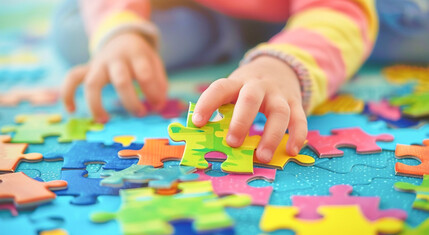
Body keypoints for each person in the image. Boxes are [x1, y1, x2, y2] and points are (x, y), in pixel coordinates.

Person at [58, 0, 377, 163]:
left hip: (322, 11)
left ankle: (256, 38)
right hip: (204, 8)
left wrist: (283, 66)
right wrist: (122, 30)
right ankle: (225, 32)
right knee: (74, 32)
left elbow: (338, 9)